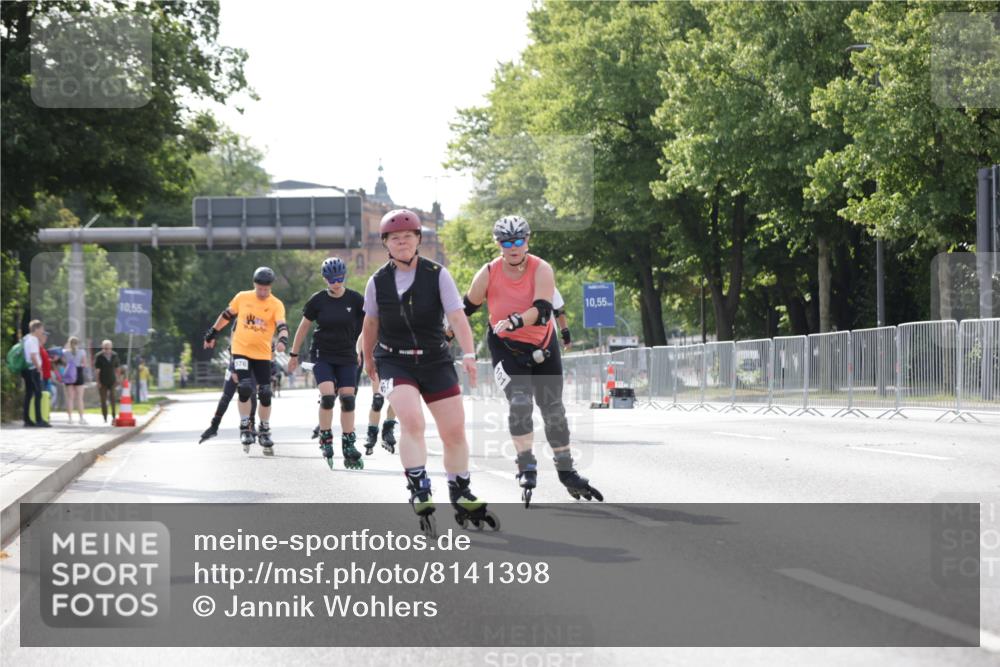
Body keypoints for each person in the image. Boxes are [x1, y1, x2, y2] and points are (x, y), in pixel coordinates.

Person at [361, 209, 498, 536]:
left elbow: (458, 316)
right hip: (394, 359)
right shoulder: (377, 282)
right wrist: (368, 361)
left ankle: (460, 490)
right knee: (412, 420)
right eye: (395, 238)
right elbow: (370, 324)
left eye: (408, 236)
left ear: (419, 239)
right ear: (386, 244)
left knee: (454, 431)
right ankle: (419, 486)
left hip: (435, 359)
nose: (402, 241)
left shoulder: (438, 274)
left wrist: (467, 353)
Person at [463, 215, 603, 507]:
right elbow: (465, 310)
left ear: (528, 240)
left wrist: (516, 321)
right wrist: (445, 334)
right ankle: (525, 463)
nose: (513, 247)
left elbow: (542, 310)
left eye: (519, 240)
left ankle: (567, 472)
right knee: (521, 402)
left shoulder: (542, 268)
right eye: (506, 242)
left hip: (543, 344)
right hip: (505, 349)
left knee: (553, 409)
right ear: (498, 244)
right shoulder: (488, 272)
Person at [288, 257, 366, 470]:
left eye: (340, 278)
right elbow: (303, 327)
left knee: (348, 399)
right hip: (323, 355)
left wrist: (366, 351)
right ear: (325, 279)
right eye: (332, 279)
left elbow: (369, 326)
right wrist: (294, 354)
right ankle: (325, 436)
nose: (336, 283)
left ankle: (349, 444)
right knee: (329, 396)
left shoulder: (356, 300)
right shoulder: (318, 300)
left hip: (348, 355)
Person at [203, 266, 287, 455]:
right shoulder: (242, 297)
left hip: (263, 354)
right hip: (241, 351)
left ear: (271, 287)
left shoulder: (276, 304)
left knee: (265, 392)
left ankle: (264, 429)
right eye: (259, 289)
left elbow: (282, 325)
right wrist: (212, 332)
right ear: (254, 285)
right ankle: (245, 427)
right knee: (245, 387)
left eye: (266, 289)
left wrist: (283, 339)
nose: (263, 292)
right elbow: (226, 316)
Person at [198, 352, 258, 444]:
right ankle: (214, 426)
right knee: (226, 397)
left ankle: (251, 425)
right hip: (236, 364)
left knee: (252, 394)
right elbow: (234, 349)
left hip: (252, 367)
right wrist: (233, 369)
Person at [20, 320, 49, 427]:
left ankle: (27, 420)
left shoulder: (27, 338)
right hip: (33, 370)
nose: (43, 331)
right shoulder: (32, 340)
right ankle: (38, 420)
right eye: (41, 329)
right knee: (38, 394)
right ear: (36, 329)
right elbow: (33, 355)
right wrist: (39, 368)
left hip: (28, 369)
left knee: (29, 394)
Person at [93, 340, 121, 424]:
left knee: (112, 398)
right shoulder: (99, 356)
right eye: (105, 348)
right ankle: (104, 417)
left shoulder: (114, 355)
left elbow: (117, 368)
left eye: (108, 348)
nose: (107, 350)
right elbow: (97, 370)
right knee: (103, 400)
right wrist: (98, 382)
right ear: (102, 347)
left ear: (111, 347)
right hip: (102, 380)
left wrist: (118, 379)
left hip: (112, 380)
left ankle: (113, 416)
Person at [62, 336, 87, 424]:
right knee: (79, 397)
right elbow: (84, 364)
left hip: (69, 373)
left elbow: (63, 361)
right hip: (78, 372)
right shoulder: (82, 352)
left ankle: (70, 418)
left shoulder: (65, 352)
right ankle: (81, 418)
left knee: (70, 398)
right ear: (78, 343)